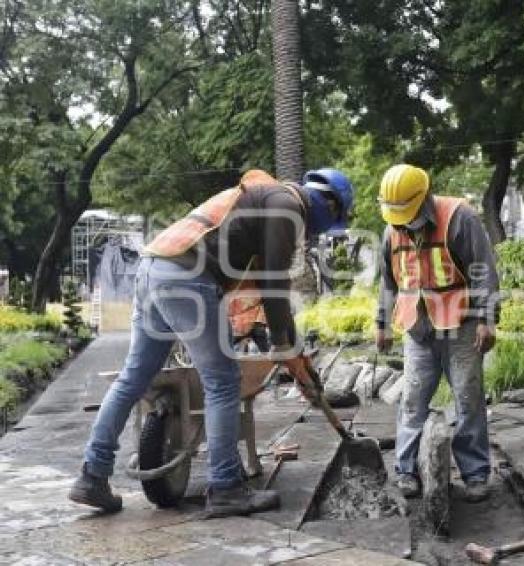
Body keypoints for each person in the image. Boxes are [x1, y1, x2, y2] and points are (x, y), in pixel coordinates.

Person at [69, 168, 353, 517]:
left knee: (133, 378)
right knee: (222, 381)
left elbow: (258, 294)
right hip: (187, 279)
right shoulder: (287, 206)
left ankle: (92, 475)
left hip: (153, 269)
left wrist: (298, 363)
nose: (312, 235)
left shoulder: (264, 201)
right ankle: (226, 489)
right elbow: (274, 287)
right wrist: (286, 346)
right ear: (329, 207)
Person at [375, 164, 499, 503]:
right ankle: (406, 471)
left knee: (468, 399)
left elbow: (483, 271)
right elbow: (388, 281)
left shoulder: (460, 217)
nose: (400, 220)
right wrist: (382, 323)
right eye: (394, 214)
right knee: (412, 400)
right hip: (417, 328)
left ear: (424, 198)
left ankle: (475, 474)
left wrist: (487, 320)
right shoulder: (392, 230)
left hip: (461, 325)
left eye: (405, 213)